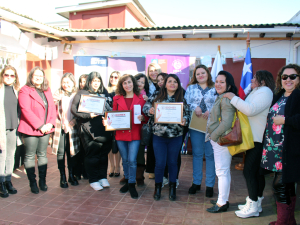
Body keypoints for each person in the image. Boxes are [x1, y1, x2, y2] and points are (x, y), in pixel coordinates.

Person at [223, 70, 275, 218]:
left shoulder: (265, 91)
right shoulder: (258, 91)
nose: (251, 80)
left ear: (263, 81)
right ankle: (256, 202)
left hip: (256, 138)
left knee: (249, 172)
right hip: (251, 137)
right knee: (256, 172)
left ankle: (253, 204)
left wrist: (233, 98)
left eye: (255, 78)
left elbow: (250, 110)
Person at [261, 64, 300, 225]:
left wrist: (285, 120)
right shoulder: (280, 95)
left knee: (280, 184)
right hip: (274, 148)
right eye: (285, 77)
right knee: (286, 184)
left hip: (289, 149)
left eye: (293, 76)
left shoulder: (298, 96)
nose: (288, 80)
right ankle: (288, 221)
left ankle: (283, 222)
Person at [143, 74, 191, 201]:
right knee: (160, 163)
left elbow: (188, 114)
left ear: (178, 84)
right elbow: (145, 107)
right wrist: (151, 111)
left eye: (175, 82)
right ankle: (157, 188)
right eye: (170, 81)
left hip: (175, 136)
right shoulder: (157, 95)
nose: (172, 84)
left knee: (172, 163)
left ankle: (172, 188)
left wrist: (185, 120)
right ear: (165, 83)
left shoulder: (181, 96)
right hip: (159, 135)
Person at [104, 74, 146, 199]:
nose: (127, 85)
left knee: (132, 160)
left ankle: (132, 184)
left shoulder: (141, 98)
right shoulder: (116, 98)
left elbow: (146, 117)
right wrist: (108, 122)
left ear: (133, 83)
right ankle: (127, 180)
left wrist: (143, 118)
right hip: (120, 134)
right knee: (125, 160)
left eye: (129, 82)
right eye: (124, 83)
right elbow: (114, 116)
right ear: (121, 85)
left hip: (135, 134)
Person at [71, 71, 113, 191]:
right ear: (89, 81)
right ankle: (93, 179)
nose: (96, 83)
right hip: (88, 130)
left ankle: (102, 177)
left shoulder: (103, 93)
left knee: (103, 155)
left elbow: (109, 110)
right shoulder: (82, 93)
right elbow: (74, 110)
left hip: (103, 129)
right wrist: (88, 115)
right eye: (94, 80)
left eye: (98, 81)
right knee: (92, 155)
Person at [18, 67, 56, 194]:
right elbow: (25, 110)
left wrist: (50, 123)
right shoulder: (24, 90)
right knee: (29, 156)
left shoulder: (47, 90)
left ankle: (42, 181)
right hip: (31, 129)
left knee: (42, 155)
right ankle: (32, 183)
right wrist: (40, 126)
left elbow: (52, 108)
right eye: (36, 75)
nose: (39, 77)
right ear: (31, 77)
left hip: (46, 128)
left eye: (41, 75)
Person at [206, 71, 237, 213]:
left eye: (222, 82)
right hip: (219, 139)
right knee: (224, 171)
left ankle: (221, 203)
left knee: (222, 172)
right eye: (217, 81)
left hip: (221, 140)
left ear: (228, 85)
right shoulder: (221, 97)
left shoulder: (225, 100)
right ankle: (222, 198)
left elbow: (226, 123)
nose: (218, 84)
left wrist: (214, 136)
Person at [184, 64, 216, 197]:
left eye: (203, 73)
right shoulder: (190, 88)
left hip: (211, 126)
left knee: (210, 155)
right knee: (197, 154)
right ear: (195, 76)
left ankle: (210, 185)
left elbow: (220, 102)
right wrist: (194, 107)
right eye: (198, 74)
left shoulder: (215, 88)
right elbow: (185, 103)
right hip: (196, 125)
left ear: (208, 74)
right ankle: (196, 183)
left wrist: (211, 110)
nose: (200, 75)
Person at [52, 73, 80, 188]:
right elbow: (52, 111)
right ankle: (62, 177)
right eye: (64, 82)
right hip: (60, 127)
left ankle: (71, 175)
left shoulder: (77, 95)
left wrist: (73, 121)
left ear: (73, 83)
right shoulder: (56, 95)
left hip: (72, 127)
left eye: (68, 82)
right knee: (60, 153)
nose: (66, 85)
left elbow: (81, 110)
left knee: (71, 153)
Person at [0, 65, 22, 197]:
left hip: (13, 127)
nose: (9, 77)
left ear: (15, 78)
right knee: (1, 157)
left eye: (12, 75)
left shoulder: (17, 90)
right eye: (6, 75)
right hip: (1, 129)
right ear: (2, 76)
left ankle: (8, 181)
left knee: (10, 155)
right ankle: (1, 182)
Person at [134, 73, 150, 186]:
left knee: (139, 153)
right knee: (128, 154)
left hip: (140, 129)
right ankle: (127, 175)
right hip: (129, 128)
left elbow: (150, 114)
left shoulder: (146, 97)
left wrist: (144, 117)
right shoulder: (128, 94)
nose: (139, 84)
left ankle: (140, 176)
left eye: (142, 82)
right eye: (137, 81)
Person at [146, 64, 162, 179]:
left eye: (155, 70)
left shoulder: (164, 83)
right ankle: (151, 169)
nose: (153, 73)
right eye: (151, 71)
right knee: (151, 145)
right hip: (149, 118)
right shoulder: (146, 85)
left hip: (163, 121)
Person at [74, 74, 89, 180]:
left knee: (86, 151)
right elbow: (74, 109)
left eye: (85, 81)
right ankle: (77, 172)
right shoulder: (78, 94)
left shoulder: (92, 94)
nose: (83, 84)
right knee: (79, 151)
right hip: (79, 125)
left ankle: (85, 172)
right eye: (81, 81)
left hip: (89, 127)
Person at [107, 71, 121, 178]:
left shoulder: (122, 91)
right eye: (111, 77)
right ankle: (111, 166)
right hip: (108, 121)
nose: (113, 79)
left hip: (120, 121)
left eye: (116, 77)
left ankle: (118, 167)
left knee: (118, 144)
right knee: (110, 145)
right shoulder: (105, 91)